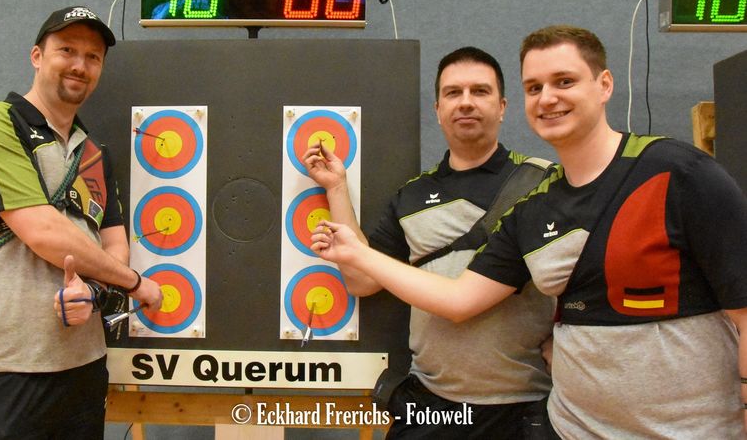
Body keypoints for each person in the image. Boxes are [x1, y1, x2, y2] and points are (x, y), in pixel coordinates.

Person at [311, 25, 747, 438]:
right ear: (437, 108)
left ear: (604, 85)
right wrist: (341, 202)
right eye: (535, 88)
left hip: (550, 409)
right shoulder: (527, 209)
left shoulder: (669, 172)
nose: (548, 98)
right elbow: (445, 296)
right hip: (516, 416)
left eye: (564, 82)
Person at [302, 47, 556, 439]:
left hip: (521, 408)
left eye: (480, 91)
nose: (466, 102)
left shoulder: (544, 184)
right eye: (453, 93)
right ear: (437, 109)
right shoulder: (411, 196)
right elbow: (361, 280)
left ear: (503, 106)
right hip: (430, 408)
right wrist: (336, 188)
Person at [0, 6, 163, 439]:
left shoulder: (95, 154)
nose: (79, 65)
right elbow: (44, 231)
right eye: (66, 50)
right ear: (37, 55)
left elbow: (113, 241)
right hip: (4, 364)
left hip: (83, 366)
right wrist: (133, 283)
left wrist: (93, 290)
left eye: (93, 57)